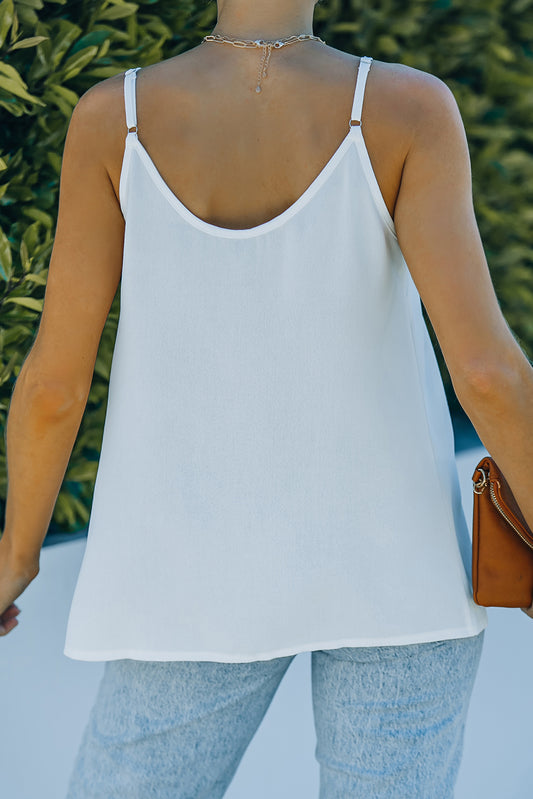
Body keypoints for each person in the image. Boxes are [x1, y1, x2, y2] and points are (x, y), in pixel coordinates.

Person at [1, 0, 533, 795]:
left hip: (189, 581)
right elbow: (488, 374)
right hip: (401, 571)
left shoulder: (116, 117)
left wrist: (14, 558)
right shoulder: (408, 108)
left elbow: (52, 387)